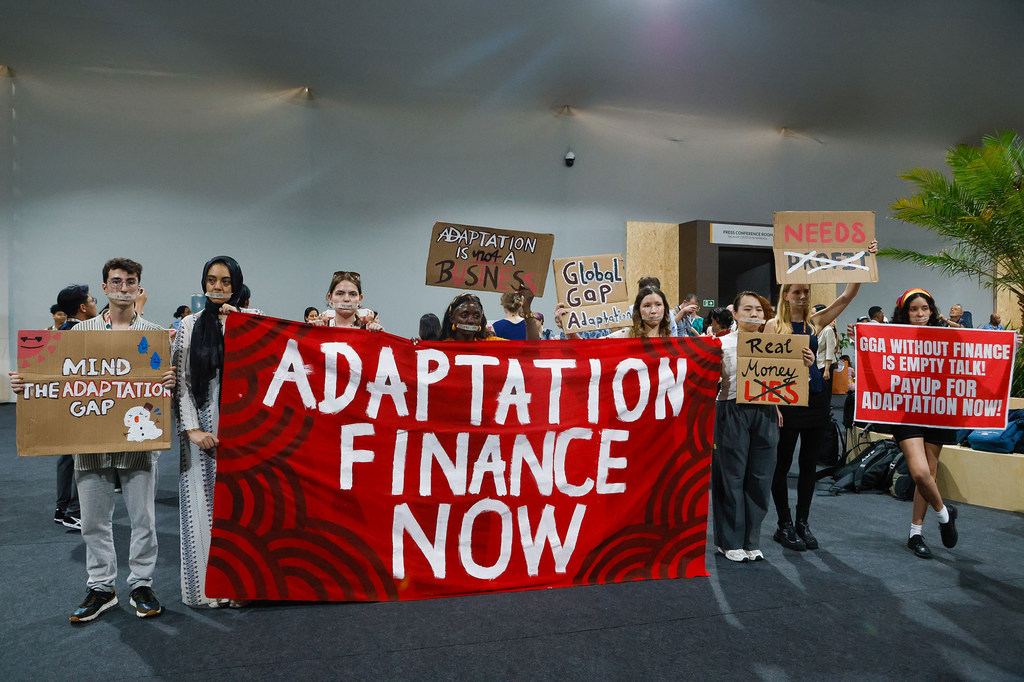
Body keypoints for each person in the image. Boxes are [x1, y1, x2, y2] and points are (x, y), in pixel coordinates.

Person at [11, 258, 176, 623]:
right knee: (93, 522)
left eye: (130, 282)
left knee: (144, 519)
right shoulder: (76, 334)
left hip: (137, 442)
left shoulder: (154, 334)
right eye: (115, 282)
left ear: (139, 288)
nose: (122, 288)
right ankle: (101, 586)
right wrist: (27, 383)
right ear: (104, 288)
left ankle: (141, 584)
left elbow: (161, 389)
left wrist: (167, 385)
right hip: (90, 442)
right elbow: (54, 379)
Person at [764, 245, 875, 551]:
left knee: (809, 465)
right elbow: (765, 368)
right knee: (783, 464)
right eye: (797, 292)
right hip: (785, 402)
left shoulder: (816, 323)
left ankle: (803, 523)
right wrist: (773, 404)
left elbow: (847, 296)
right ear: (786, 294)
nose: (802, 297)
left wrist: (863, 261)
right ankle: (783, 524)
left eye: (806, 292)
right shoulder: (774, 325)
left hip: (815, 399)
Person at [712, 291, 815, 562]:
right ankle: (729, 541)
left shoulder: (778, 343)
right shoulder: (720, 343)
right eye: (747, 309)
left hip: (766, 412)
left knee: (760, 477)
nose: (754, 314)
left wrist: (806, 363)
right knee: (732, 476)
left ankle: (750, 539)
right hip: (731, 409)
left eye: (758, 310)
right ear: (734, 313)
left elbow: (785, 380)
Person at [173, 255, 249, 608]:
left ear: (236, 285)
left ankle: (240, 586)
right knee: (201, 508)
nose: (217, 287)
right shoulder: (188, 326)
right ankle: (205, 591)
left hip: (243, 428)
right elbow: (182, 384)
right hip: (202, 427)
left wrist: (243, 326)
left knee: (241, 508)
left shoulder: (251, 321)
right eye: (211, 280)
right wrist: (192, 429)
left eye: (225, 282)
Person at [887, 289, 961, 559]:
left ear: (932, 310)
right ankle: (944, 517)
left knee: (929, 471)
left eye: (924, 308)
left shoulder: (947, 335)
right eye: (913, 309)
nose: (920, 314)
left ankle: (915, 534)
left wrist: (1010, 345)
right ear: (904, 313)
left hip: (937, 410)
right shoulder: (891, 337)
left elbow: (979, 355)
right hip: (906, 412)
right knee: (919, 473)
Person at [439, 284, 541, 342]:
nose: (471, 320)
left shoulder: (492, 344)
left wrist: (526, 308)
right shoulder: (440, 348)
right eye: (465, 315)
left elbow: (531, 352)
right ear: (452, 318)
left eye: (476, 316)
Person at [317, 271, 384, 331]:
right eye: (340, 294)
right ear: (330, 298)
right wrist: (310, 331)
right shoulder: (319, 329)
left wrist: (379, 336)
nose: (346, 299)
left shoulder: (369, 331)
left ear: (360, 299)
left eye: (352, 294)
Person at [607, 286, 672, 338]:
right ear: (638, 310)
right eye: (647, 306)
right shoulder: (625, 335)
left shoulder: (668, 338)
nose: (653, 311)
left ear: (665, 308)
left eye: (658, 304)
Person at [814, 304, 839, 395]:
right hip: (817, 363)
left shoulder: (828, 330)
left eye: (814, 313)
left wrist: (827, 370)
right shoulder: (815, 329)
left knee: (825, 391)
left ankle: (826, 408)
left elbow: (830, 351)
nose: (812, 316)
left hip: (825, 365)